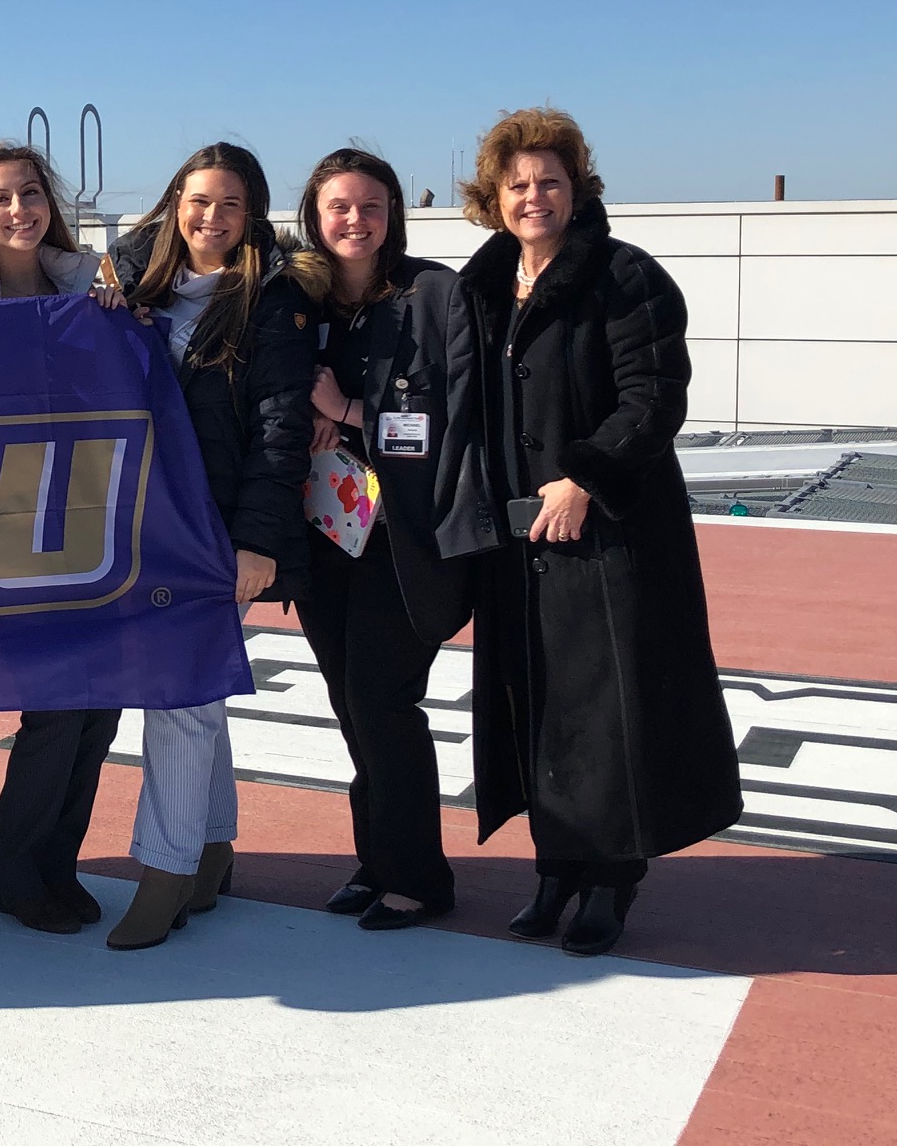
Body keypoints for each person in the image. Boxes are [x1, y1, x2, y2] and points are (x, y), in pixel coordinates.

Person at [458, 108, 742, 957]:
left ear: (577, 190)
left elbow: (654, 397)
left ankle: (611, 879)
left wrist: (586, 475)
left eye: (550, 181)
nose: (533, 196)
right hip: (518, 539)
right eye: (518, 185)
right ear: (494, 197)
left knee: (609, 707)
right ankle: (556, 865)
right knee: (537, 702)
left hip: (612, 534)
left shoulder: (626, 278)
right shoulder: (483, 285)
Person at [107, 143, 321, 950]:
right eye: (198, 200)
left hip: (213, 527)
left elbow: (280, 427)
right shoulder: (129, 286)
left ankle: (164, 872)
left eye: (230, 205)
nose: (210, 217)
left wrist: (258, 541)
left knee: (178, 696)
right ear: (173, 203)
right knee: (197, 692)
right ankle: (212, 849)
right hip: (138, 523)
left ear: (252, 215)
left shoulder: (270, 300)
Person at [294, 148, 494, 932]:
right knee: (353, 706)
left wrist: (348, 413)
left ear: (393, 214)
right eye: (338, 206)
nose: (354, 220)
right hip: (324, 539)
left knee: (385, 701)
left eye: (370, 205)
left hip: (403, 544)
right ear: (313, 214)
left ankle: (419, 877)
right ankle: (376, 860)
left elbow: (455, 418)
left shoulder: (435, 295)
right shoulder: (300, 300)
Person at [0, 143, 128, 935]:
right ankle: (14, 872)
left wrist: (127, 323)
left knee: (102, 709)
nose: (18, 211)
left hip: (94, 517)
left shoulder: (94, 285)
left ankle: (56, 861)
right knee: (55, 704)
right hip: (6, 529)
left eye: (29, 194)